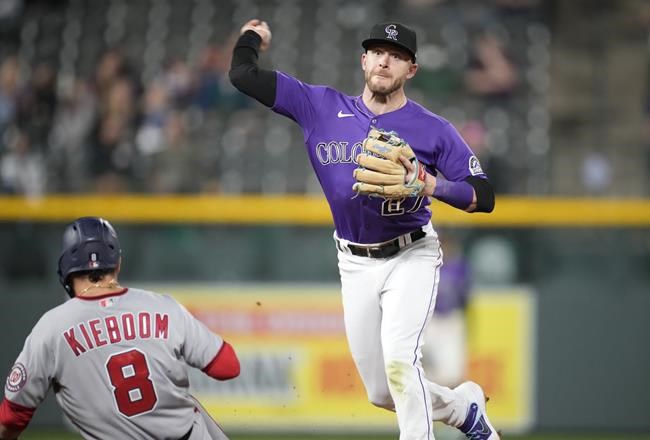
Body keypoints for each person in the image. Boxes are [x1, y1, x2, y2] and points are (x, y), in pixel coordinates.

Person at [229, 19, 497, 440]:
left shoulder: (433, 128)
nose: (384, 60)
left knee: (400, 362)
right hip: (354, 262)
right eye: (377, 52)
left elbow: (484, 195)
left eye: (397, 55)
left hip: (412, 254)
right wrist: (251, 38)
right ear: (363, 60)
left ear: (411, 69)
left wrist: (431, 184)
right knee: (381, 391)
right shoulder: (319, 105)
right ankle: (465, 409)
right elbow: (243, 76)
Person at [0, 217, 238, 440]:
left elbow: (12, 417)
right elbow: (227, 366)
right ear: (117, 263)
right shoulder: (163, 306)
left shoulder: (51, 328)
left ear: (64, 269)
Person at [422, 231, 471, 388]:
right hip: (431, 320)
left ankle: (449, 408)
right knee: (426, 371)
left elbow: (465, 299)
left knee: (452, 376)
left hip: (451, 320)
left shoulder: (460, 267)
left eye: (447, 242)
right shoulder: (427, 265)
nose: (445, 246)